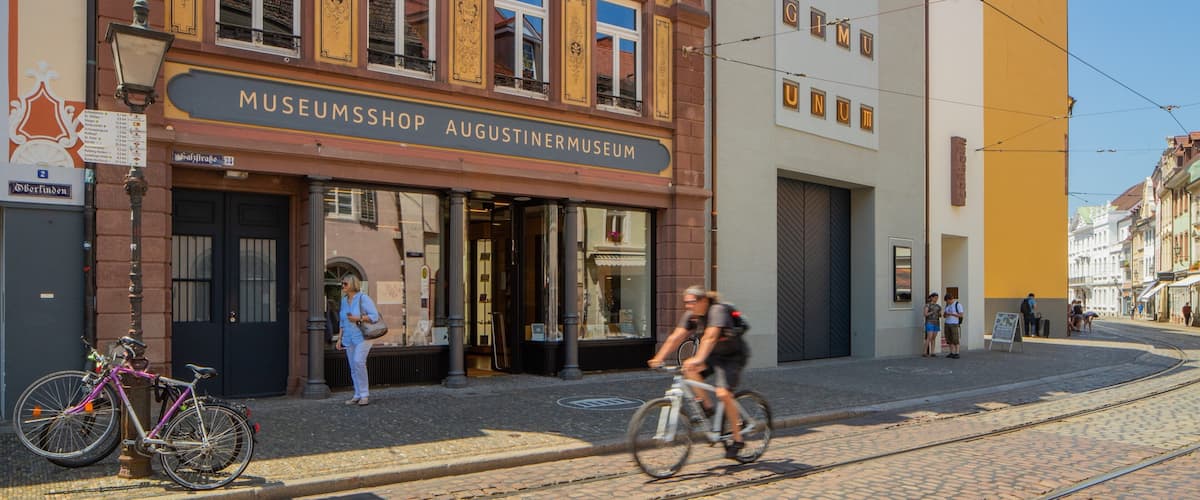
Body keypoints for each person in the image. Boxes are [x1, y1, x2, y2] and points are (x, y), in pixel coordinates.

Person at [648, 286, 749, 459]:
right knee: (688, 368)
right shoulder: (691, 315)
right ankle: (708, 408)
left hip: (732, 356)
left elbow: (710, 336)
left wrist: (699, 358)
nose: (688, 306)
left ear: (703, 301)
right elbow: (675, 337)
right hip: (713, 355)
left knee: (723, 393)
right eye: (685, 303)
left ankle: (738, 440)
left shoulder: (717, 310)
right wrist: (658, 358)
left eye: (691, 302)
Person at [338, 275, 379, 406]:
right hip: (348, 337)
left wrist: (358, 318)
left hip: (363, 336)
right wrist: (339, 339)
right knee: (353, 367)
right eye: (342, 284)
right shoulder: (344, 300)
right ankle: (357, 394)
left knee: (358, 362)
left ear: (352, 285)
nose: (343, 286)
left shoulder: (363, 298)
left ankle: (364, 394)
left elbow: (375, 316)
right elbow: (342, 321)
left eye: (345, 284)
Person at [942, 294, 963, 358]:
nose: (947, 302)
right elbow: (944, 315)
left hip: (954, 323)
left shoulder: (958, 305)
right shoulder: (947, 305)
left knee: (955, 338)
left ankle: (957, 353)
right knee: (949, 339)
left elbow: (961, 315)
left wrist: (952, 314)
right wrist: (945, 315)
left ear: (950, 299)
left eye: (947, 301)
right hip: (947, 323)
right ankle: (951, 352)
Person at [922, 292, 942, 357]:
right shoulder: (928, 305)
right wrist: (932, 312)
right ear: (932, 298)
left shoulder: (938, 306)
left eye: (937, 298)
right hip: (929, 322)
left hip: (936, 323)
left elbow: (940, 315)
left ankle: (932, 352)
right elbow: (925, 314)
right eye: (935, 297)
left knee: (933, 338)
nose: (936, 299)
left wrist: (939, 314)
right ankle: (924, 352)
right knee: (929, 337)